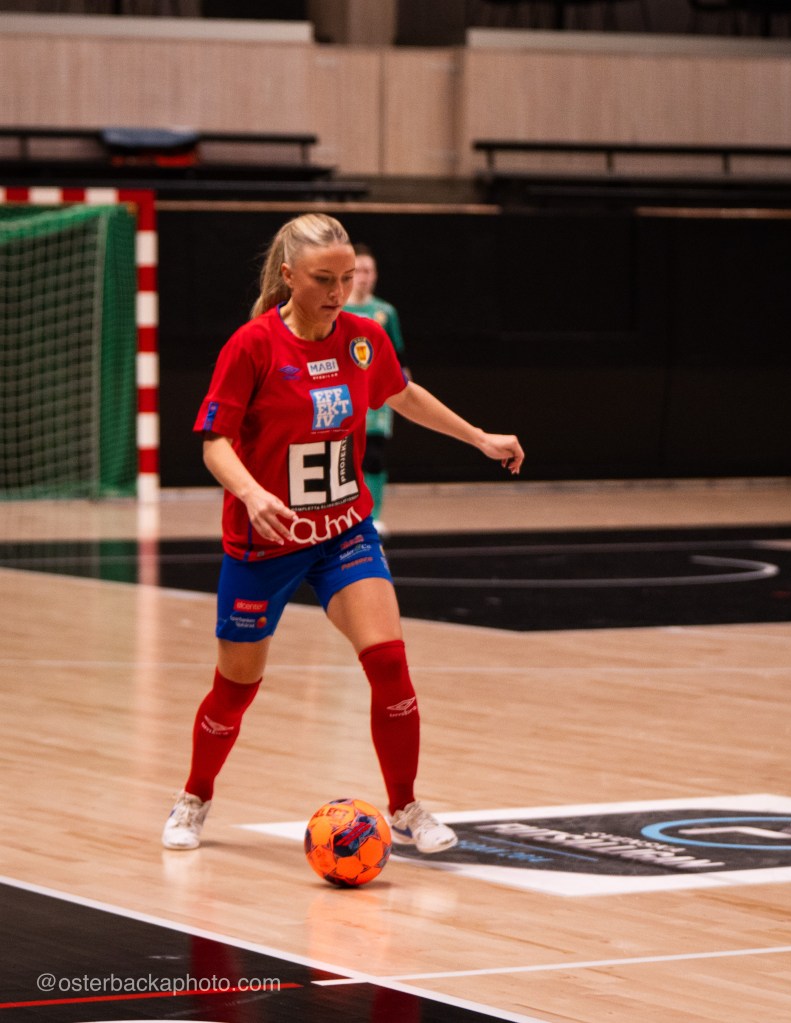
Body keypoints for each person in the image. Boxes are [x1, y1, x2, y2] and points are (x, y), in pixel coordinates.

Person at [162, 213, 524, 855]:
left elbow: (401, 393)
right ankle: (195, 796)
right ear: (288, 276)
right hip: (265, 543)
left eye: (347, 277)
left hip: (342, 532)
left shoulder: (364, 338)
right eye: (323, 279)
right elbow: (215, 442)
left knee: (389, 662)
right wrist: (252, 493)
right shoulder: (253, 345)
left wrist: (478, 437)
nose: (338, 292)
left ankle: (405, 806)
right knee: (235, 690)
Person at [344, 244, 405, 534]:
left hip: (377, 399)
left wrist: (405, 396)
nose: (364, 277)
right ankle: (348, 514)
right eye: (359, 271)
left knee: (374, 457)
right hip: (346, 395)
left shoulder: (385, 312)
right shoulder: (337, 310)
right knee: (347, 459)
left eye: (369, 271)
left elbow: (399, 358)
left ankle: (373, 514)